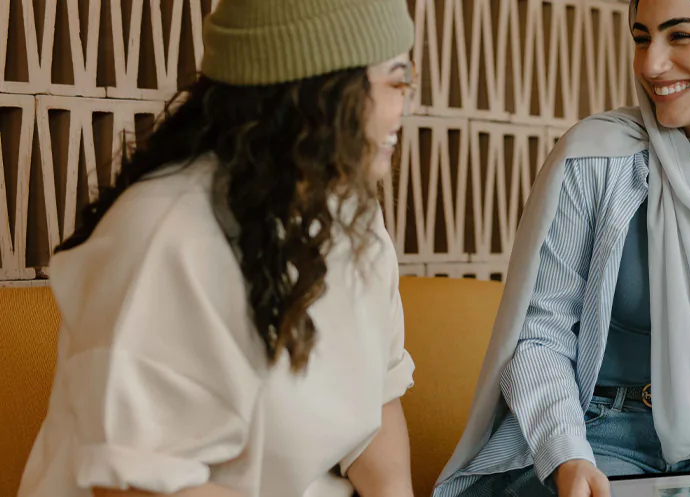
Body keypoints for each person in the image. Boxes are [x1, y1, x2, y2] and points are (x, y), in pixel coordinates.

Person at [433, 0, 690, 497]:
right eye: (641, 37)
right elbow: (539, 336)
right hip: (593, 437)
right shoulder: (596, 158)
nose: (651, 64)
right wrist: (566, 453)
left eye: (679, 36)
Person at [17, 1, 419, 496]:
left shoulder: (351, 213)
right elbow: (141, 485)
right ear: (319, 87)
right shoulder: (165, 234)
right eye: (397, 81)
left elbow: (377, 411)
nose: (405, 105)